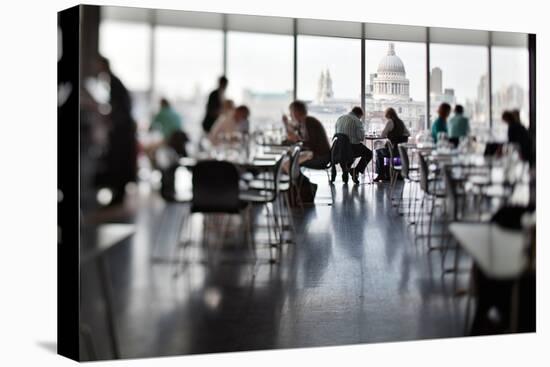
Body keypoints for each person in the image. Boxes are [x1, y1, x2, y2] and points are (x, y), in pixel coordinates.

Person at [93, 55, 137, 206]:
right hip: (122, 129)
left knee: (118, 161)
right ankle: (118, 194)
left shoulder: (113, 82)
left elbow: (118, 108)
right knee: (118, 161)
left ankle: (118, 195)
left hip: (122, 131)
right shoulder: (112, 81)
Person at [283, 100, 331, 170]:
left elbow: (311, 144)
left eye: (291, 112)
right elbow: (294, 133)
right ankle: (301, 180)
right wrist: (286, 124)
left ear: (296, 112)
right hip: (315, 155)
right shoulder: (304, 122)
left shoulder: (309, 122)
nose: (290, 115)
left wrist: (297, 140)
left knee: (288, 163)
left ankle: (301, 180)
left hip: (321, 158)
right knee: (289, 161)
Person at [334, 107, 372, 184]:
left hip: (339, 147)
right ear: (359, 114)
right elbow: (361, 138)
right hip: (352, 148)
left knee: (349, 155)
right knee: (369, 153)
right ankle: (356, 170)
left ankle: (346, 169)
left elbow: (336, 133)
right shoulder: (357, 121)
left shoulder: (340, 118)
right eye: (361, 117)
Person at [374, 107, 410, 182]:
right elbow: (408, 133)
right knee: (386, 153)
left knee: (379, 152)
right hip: (400, 151)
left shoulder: (390, 121)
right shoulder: (400, 122)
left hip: (392, 150)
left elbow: (383, 135)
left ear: (388, 115)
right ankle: (395, 174)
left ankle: (381, 175)